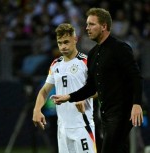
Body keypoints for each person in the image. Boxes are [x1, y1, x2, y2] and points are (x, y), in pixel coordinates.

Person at [51, 8, 143, 153]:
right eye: (87, 24)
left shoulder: (120, 48)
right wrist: (68, 97)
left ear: (104, 26)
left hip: (121, 112)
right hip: (105, 113)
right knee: (119, 149)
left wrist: (137, 104)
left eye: (92, 24)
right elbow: (91, 88)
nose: (87, 28)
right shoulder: (93, 54)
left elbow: (136, 77)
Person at [32, 23, 97, 153]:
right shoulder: (55, 64)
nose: (63, 46)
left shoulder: (86, 62)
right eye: (60, 43)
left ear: (75, 39)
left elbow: (100, 90)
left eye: (66, 42)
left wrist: (83, 97)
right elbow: (44, 91)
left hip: (82, 125)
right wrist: (37, 110)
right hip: (62, 128)